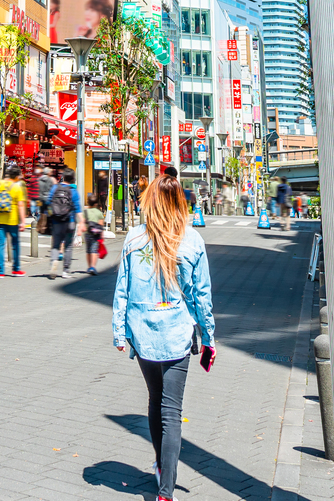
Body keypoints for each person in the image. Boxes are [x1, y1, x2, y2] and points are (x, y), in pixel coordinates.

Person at [112, 173, 215, 501]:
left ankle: (159, 464)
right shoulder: (192, 240)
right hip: (176, 334)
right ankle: (166, 491)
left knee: (155, 400)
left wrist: (118, 331)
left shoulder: (134, 237)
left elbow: (122, 290)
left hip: (142, 335)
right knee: (171, 409)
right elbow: (202, 296)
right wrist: (209, 337)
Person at [0, 164, 28, 276]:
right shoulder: (17, 187)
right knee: (15, 244)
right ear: (16, 176)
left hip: (0, 219)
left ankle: (1, 271)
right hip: (13, 220)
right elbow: (21, 205)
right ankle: (16, 269)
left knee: (0, 244)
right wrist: (23, 221)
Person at [46, 168, 82, 278]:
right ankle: (66, 270)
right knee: (68, 246)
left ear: (63, 177)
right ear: (73, 179)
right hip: (70, 221)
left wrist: (50, 215)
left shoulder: (55, 188)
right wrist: (82, 223)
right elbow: (78, 209)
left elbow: (48, 202)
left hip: (56, 221)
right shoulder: (73, 191)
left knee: (56, 245)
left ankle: (54, 263)